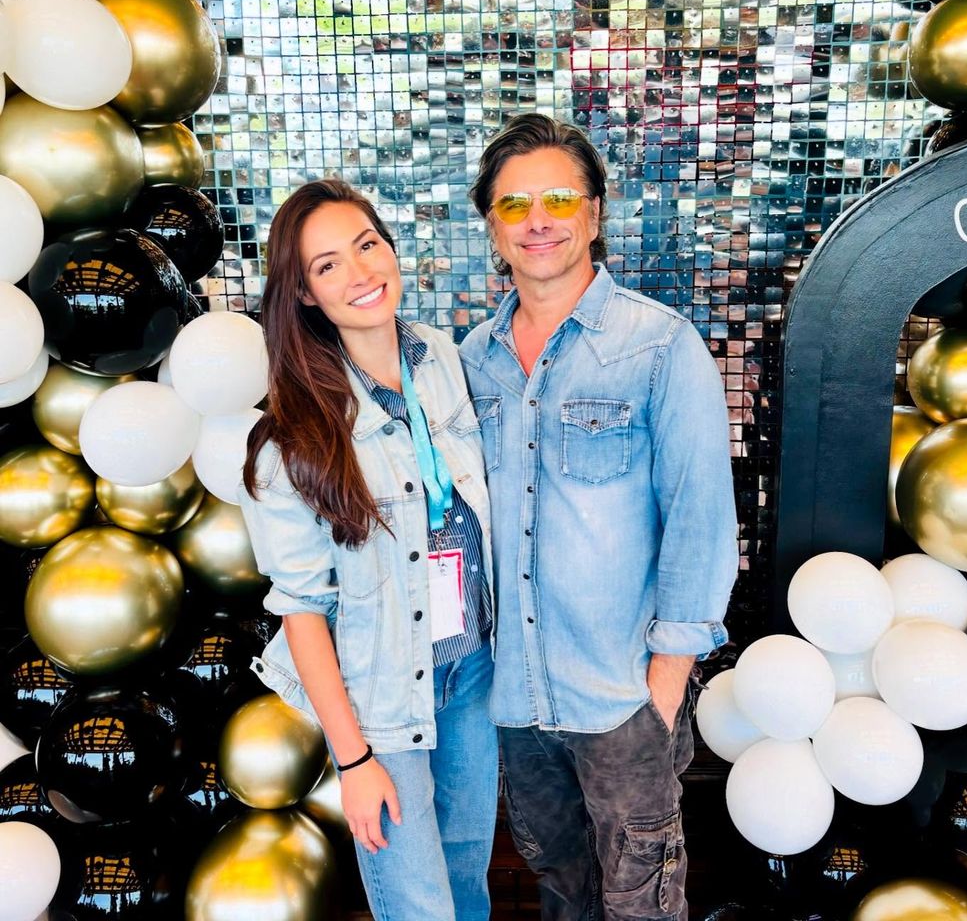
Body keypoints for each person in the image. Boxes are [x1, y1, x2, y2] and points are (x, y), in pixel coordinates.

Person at [460, 114, 739, 921]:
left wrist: (663, 686)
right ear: (492, 224)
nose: (537, 220)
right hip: (514, 700)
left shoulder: (659, 346)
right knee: (559, 889)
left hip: (621, 698)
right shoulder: (470, 361)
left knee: (641, 900)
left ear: (594, 213)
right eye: (514, 205)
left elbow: (700, 520)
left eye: (557, 198)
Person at [237, 178, 497, 921]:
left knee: (468, 890)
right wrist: (354, 761)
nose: (359, 273)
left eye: (366, 245)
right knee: (420, 909)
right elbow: (303, 613)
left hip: (470, 676)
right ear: (306, 296)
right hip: (383, 707)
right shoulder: (290, 441)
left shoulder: (442, 357)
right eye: (327, 266)